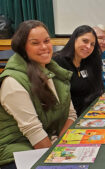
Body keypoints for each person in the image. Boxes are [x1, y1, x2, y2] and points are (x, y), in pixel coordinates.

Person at [0, 20, 77, 168]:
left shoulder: (55, 72)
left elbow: (71, 114)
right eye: (35, 43)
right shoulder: (12, 82)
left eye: (47, 41)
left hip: (43, 144)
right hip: (13, 154)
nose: (44, 47)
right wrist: (56, 160)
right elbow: (34, 131)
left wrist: (60, 146)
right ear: (23, 48)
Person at [54, 25, 104, 116]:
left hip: (92, 113)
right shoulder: (58, 61)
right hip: (70, 118)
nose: (88, 46)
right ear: (74, 39)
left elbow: (99, 89)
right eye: (85, 41)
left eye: (92, 44)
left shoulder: (91, 61)